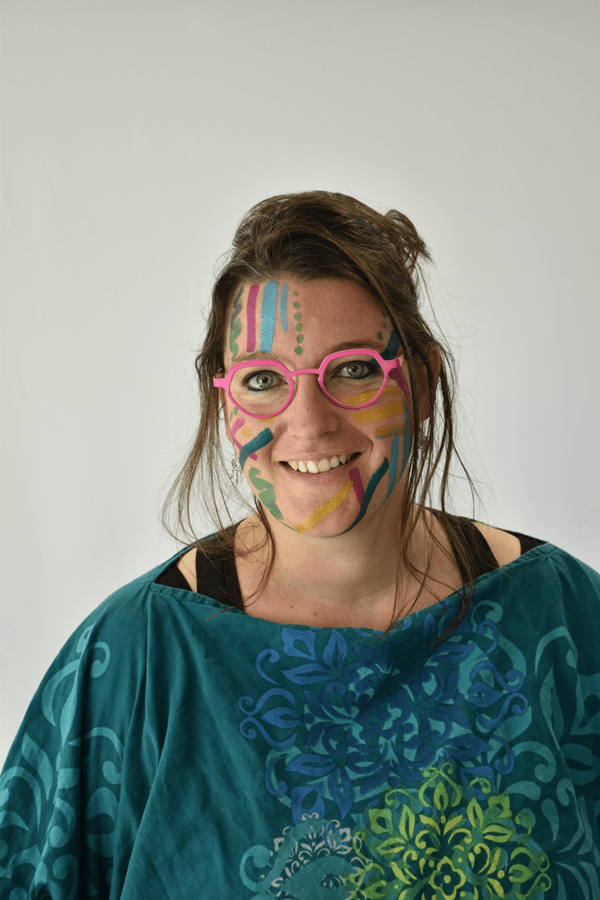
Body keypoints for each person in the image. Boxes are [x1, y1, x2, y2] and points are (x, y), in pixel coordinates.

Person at [1, 191, 598, 899]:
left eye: (354, 369)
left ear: (423, 379)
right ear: (225, 404)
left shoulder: (564, 617)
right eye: (262, 381)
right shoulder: (137, 658)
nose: (309, 423)